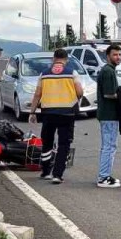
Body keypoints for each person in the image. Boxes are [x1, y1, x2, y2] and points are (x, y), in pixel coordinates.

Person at [28, 48, 83, 185]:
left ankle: (46, 171)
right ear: (66, 60)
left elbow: (37, 94)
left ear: (53, 59)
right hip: (67, 113)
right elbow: (80, 92)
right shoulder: (72, 73)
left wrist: (32, 112)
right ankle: (57, 175)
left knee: (47, 142)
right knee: (64, 144)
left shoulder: (44, 74)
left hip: (48, 113)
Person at [95, 44, 121, 188]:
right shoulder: (108, 71)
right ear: (108, 56)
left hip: (108, 115)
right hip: (109, 115)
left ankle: (104, 174)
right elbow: (109, 94)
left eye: (119, 54)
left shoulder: (109, 70)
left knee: (108, 145)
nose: (118, 57)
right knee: (109, 146)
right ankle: (103, 177)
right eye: (115, 55)